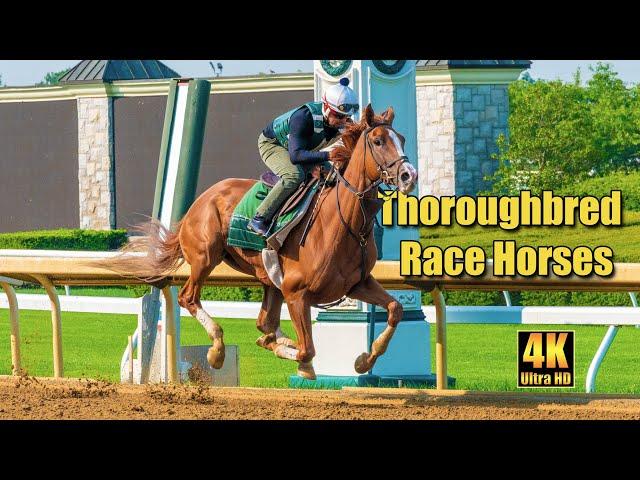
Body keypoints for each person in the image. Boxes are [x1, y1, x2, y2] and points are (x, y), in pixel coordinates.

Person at [247, 77, 359, 237]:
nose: (343, 121)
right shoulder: (303, 117)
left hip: (302, 149)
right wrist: (328, 155)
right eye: (338, 115)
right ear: (326, 107)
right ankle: (260, 218)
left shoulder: (342, 121)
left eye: (346, 117)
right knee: (294, 175)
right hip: (274, 145)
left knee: (337, 176)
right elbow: (296, 156)